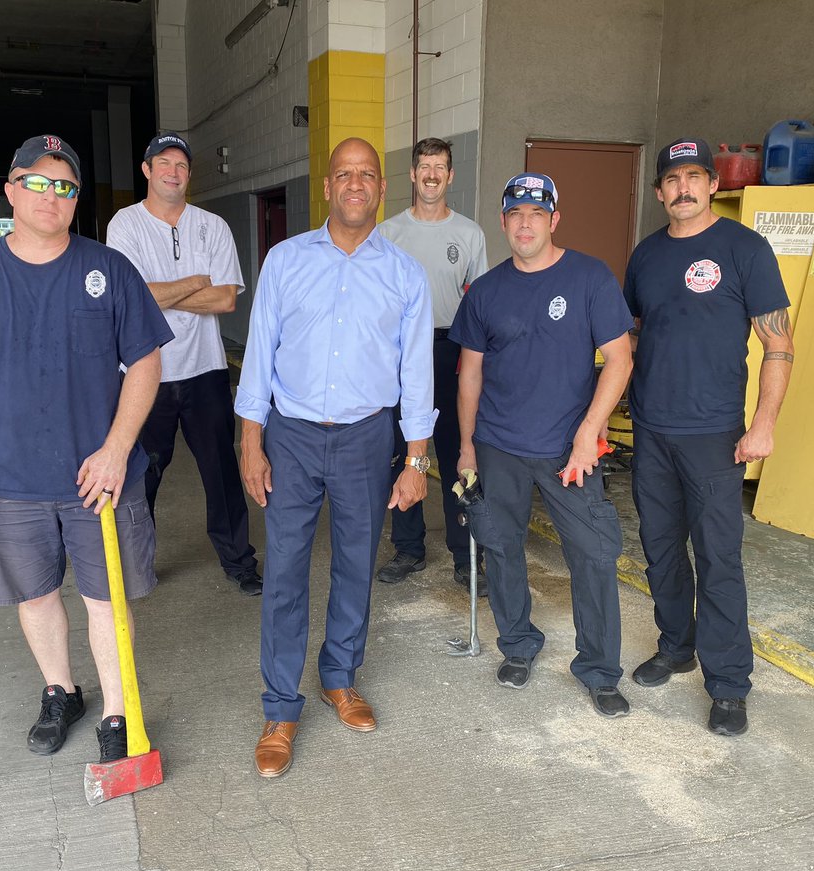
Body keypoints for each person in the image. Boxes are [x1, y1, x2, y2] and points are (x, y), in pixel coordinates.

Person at [0, 135, 173, 763]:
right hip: (10, 480)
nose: (50, 196)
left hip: (99, 478)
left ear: (75, 199)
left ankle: (118, 713)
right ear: (10, 188)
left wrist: (117, 448)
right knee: (34, 595)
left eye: (64, 186)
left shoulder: (107, 269)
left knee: (105, 600)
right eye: (37, 181)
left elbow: (145, 361)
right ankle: (60, 691)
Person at [234, 138, 436, 777]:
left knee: (356, 560)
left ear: (382, 188)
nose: (356, 184)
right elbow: (258, 354)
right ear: (327, 186)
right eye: (344, 174)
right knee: (286, 568)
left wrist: (416, 461)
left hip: (366, 438)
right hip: (291, 436)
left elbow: (416, 372)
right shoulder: (285, 261)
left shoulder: (404, 274)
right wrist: (250, 442)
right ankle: (280, 708)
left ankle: (339, 676)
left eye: (367, 174)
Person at [625, 138, 794, 737]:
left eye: (694, 176)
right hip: (651, 429)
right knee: (662, 548)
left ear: (714, 185)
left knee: (718, 558)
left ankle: (727, 683)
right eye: (672, 180)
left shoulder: (745, 249)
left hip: (716, 434)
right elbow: (635, 338)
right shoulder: (645, 256)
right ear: (659, 191)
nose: (683, 188)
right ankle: (676, 646)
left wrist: (764, 425)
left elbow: (778, 344)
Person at [450, 173, 635, 717]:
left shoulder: (589, 279)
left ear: (554, 219)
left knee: (593, 556)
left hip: (567, 451)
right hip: (499, 446)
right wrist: (465, 446)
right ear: (503, 222)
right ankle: (518, 645)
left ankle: (600, 670)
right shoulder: (486, 291)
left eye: (536, 213)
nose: (525, 223)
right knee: (502, 547)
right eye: (514, 214)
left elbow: (619, 360)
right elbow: (469, 375)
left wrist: (587, 434)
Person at [106, 131, 262, 596]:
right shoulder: (125, 225)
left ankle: (239, 562)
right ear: (147, 170)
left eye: (181, 165)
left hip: (206, 372)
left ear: (189, 174)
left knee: (221, 474)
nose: (173, 171)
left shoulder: (211, 226)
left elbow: (226, 299)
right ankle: (134, 567)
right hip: (143, 372)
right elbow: (129, 297)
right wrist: (195, 282)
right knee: (141, 475)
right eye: (164, 163)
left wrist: (161, 291)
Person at [375, 137, 489, 595]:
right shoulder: (388, 234)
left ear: (450, 175)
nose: (431, 175)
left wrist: (473, 359)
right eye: (424, 166)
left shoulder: (470, 234)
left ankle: (464, 554)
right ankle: (409, 548)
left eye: (439, 167)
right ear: (412, 174)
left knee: (456, 454)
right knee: (404, 453)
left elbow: (479, 305)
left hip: (450, 350)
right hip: (400, 354)